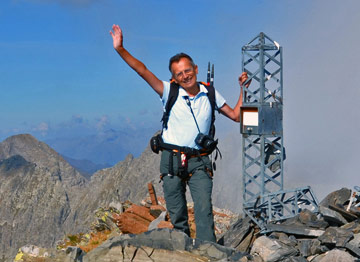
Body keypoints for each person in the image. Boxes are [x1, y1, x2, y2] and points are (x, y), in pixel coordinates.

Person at [110, 24, 249, 242]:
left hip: (200, 160)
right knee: (177, 214)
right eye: (179, 74)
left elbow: (235, 115)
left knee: (204, 210)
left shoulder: (210, 93)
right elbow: (142, 70)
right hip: (171, 159)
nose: (185, 76)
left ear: (196, 69)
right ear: (173, 78)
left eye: (187, 70)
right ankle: (182, 252)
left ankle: (208, 253)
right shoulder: (169, 92)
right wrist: (120, 49)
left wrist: (243, 89)